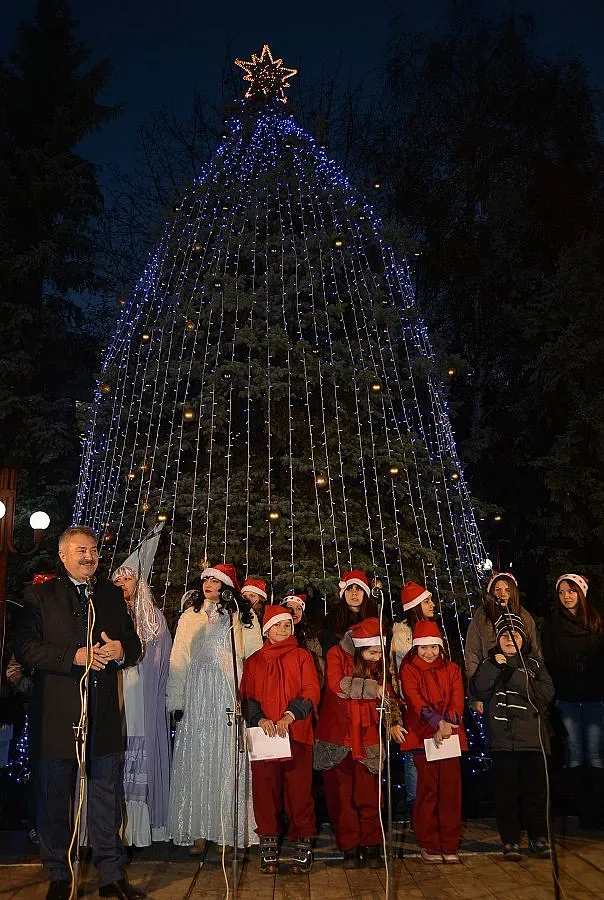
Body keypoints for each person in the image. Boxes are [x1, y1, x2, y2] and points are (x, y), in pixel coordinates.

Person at [13, 526, 144, 900]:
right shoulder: (39, 595)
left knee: (107, 799)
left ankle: (111, 878)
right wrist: (73, 656)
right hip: (55, 719)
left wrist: (121, 650)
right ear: (63, 555)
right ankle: (59, 875)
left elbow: (133, 647)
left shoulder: (110, 595)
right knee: (54, 799)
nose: (89, 556)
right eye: (80, 550)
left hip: (102, 717)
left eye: (93, 550)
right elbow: (25, 647)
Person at [166, 563, 262, 853]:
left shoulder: (241, 616)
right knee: (197, 756)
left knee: (225, 756)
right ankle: (197, 828)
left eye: (215, 580)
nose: (208, 584)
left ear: (227, 586)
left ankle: (226, 830)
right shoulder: (189, 616)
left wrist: (246, 696)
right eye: (205, 579)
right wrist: (177, 700)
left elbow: (255, 658)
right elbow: (178, 658)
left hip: (226, 690)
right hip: (197, 692)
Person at [314, 618, 404, 869]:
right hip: (338, 736)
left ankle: (372, 844)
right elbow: (337, 684)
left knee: (369, 796)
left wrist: (394, 721)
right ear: (360, 648)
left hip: (367, 737)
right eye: (373, 652)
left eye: (379, 652)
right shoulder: (336, 654)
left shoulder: (378, 665)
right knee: (341, 798)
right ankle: (350, 846)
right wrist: (372, 688)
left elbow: (389, 694)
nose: (377, 657)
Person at [241, 605, 320, 875]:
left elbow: (311, 689)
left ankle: (301, 840)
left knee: (299, 792)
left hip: (295, 734)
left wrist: (290, 715)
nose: (283, 630)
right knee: (265, 793)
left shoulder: (302, 657)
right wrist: (260, 718)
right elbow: (247, 696)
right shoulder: (253, 661)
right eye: (277, 625)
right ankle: (269, 843)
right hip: (265, 737)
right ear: (266, 629)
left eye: (287, 625)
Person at [472, 613, 554, 859]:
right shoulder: (490, 663)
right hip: (503, 741)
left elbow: (544, 694)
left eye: (515, 634)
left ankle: (538, 837)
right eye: (505, 635)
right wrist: (496, 666)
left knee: (535, 792)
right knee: (506, 792)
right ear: (497, 638)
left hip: (532, 740)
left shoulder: (535, 664)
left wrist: (512, 671)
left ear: (523, 638)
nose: (510, 639)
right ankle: (510, 840)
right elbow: (480, 688)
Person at [111, 565, 172, 847]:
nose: (122, 583)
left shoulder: (152, 618)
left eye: (128, 578)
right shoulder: (107, 614)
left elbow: (162, 660)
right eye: (117, 579)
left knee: (139, 746)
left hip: (141, 695)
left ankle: (140, 827)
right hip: (115, 692)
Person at [399, 620, 467, 864]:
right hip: (422, 736)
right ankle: (428, 842)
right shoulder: (408, 670)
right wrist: (437, 723)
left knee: (450, 792)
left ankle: (449, 842)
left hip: (449, 735)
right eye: (424, 648)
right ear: (416, 648)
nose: (429, 653)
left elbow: (457, 698)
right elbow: (415, 700)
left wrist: (447, 724)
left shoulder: (452, 669)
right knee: (427, 791)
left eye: (433, 648)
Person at [541, 573, 604, 828]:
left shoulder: (596, 623)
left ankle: (598, 813)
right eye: (562, 592)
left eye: (572, 591)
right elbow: (549, 662)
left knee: (597, 755)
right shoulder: (552, 625)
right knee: (575, 755)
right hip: (566, 701)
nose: (567, 596)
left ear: (581, 593)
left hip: (595, 699)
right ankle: (583, 811)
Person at [390, 581, 436, 820]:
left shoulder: (430, 628)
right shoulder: (402, 633)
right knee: (414, 754)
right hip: (411, 703)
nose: (433, 605)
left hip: (434, 704)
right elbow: (398, 670)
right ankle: (416, 807)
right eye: (427, 601)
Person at [465, 573, 540, 714]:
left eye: (507, 590)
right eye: (497, 589)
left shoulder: (524, 616)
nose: (502, 594)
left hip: (520, 685)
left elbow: (535, 652)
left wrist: (537, 687)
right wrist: (474, 695)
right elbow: (472, 653)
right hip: (490, 684)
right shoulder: (482, 616)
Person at [321, 570, 378, 657]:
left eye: (358, 589)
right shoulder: (332, 620)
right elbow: (329, 652)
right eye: (349, 589)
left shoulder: (375, 618)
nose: (354, 593)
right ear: (344, 593)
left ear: (365, 593)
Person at [281, 592, 325, 686]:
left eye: (298, 608)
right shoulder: (277, 633)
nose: (295, 612)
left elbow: (319, 663)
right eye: (290, 608)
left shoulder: (309, 635)